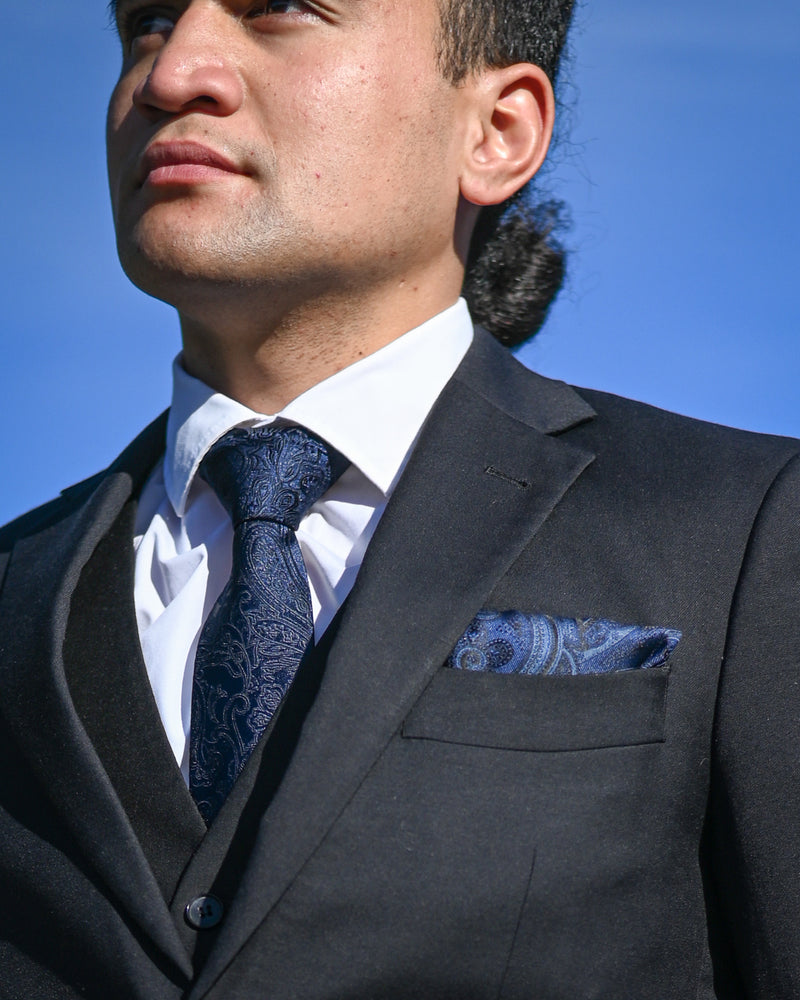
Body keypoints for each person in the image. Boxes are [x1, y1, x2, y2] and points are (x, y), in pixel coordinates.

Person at [0, 0, 798, 997]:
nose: (172, 75)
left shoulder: (745, 530)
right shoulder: (17, 589)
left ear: (496, 130)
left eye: (281, 10)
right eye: (149, 20)